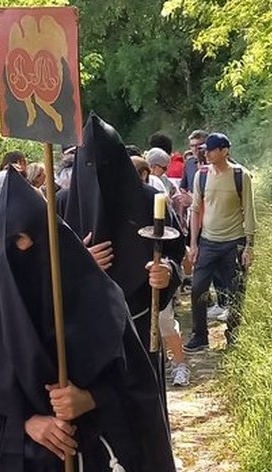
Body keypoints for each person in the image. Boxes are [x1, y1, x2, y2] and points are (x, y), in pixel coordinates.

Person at [0, 168, 182, 472]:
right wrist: (26, 425)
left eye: (24, 243)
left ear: (51, 243)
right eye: (1, 247)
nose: (13, 260)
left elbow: (141, 390)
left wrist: (92, 398)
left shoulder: (102, 302)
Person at [60, 114, 187, 393]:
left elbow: (176, 252)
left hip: (140, 321)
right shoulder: (61, 206)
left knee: (143, 402)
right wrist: (81, 264)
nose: (98, 176)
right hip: (85, 328)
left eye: (106, 165)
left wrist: (166, 271)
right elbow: (45, 268)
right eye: (90, 166)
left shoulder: (150, 201)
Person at [184, 133, 257, 352]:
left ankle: (233, 334)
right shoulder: (202, 175)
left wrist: (249, 246)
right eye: (205, 150)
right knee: (198, 288)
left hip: (234, 242)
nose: (205, 153)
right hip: (208, 241)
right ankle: (199, 336)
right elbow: (195, 209)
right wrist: (193, 244)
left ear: (224, 151)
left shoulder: (240, 176)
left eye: (210, 150)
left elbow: (249, 211)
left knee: (235, 291)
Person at [140, 147, 190, 386]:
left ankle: (180, 364)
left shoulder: (155, 191)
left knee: (165, 321)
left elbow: (171, 234)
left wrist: (167, 264)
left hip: (157, 269)